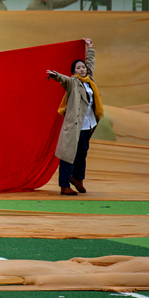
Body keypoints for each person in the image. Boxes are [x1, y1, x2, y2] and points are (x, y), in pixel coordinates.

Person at [47, 38, 100, 196]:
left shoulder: (89, 80)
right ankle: (64, 185)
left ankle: (77, 179)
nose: (82, 69)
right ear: (74, 71)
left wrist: (90, 47)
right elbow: (63, 79)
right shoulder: (73, 82)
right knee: (68, 154)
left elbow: (90, 63)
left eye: (83, 67)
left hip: (88, 124)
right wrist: (55, 75)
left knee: (82, 153)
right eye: (79, 68)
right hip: (75, 124)